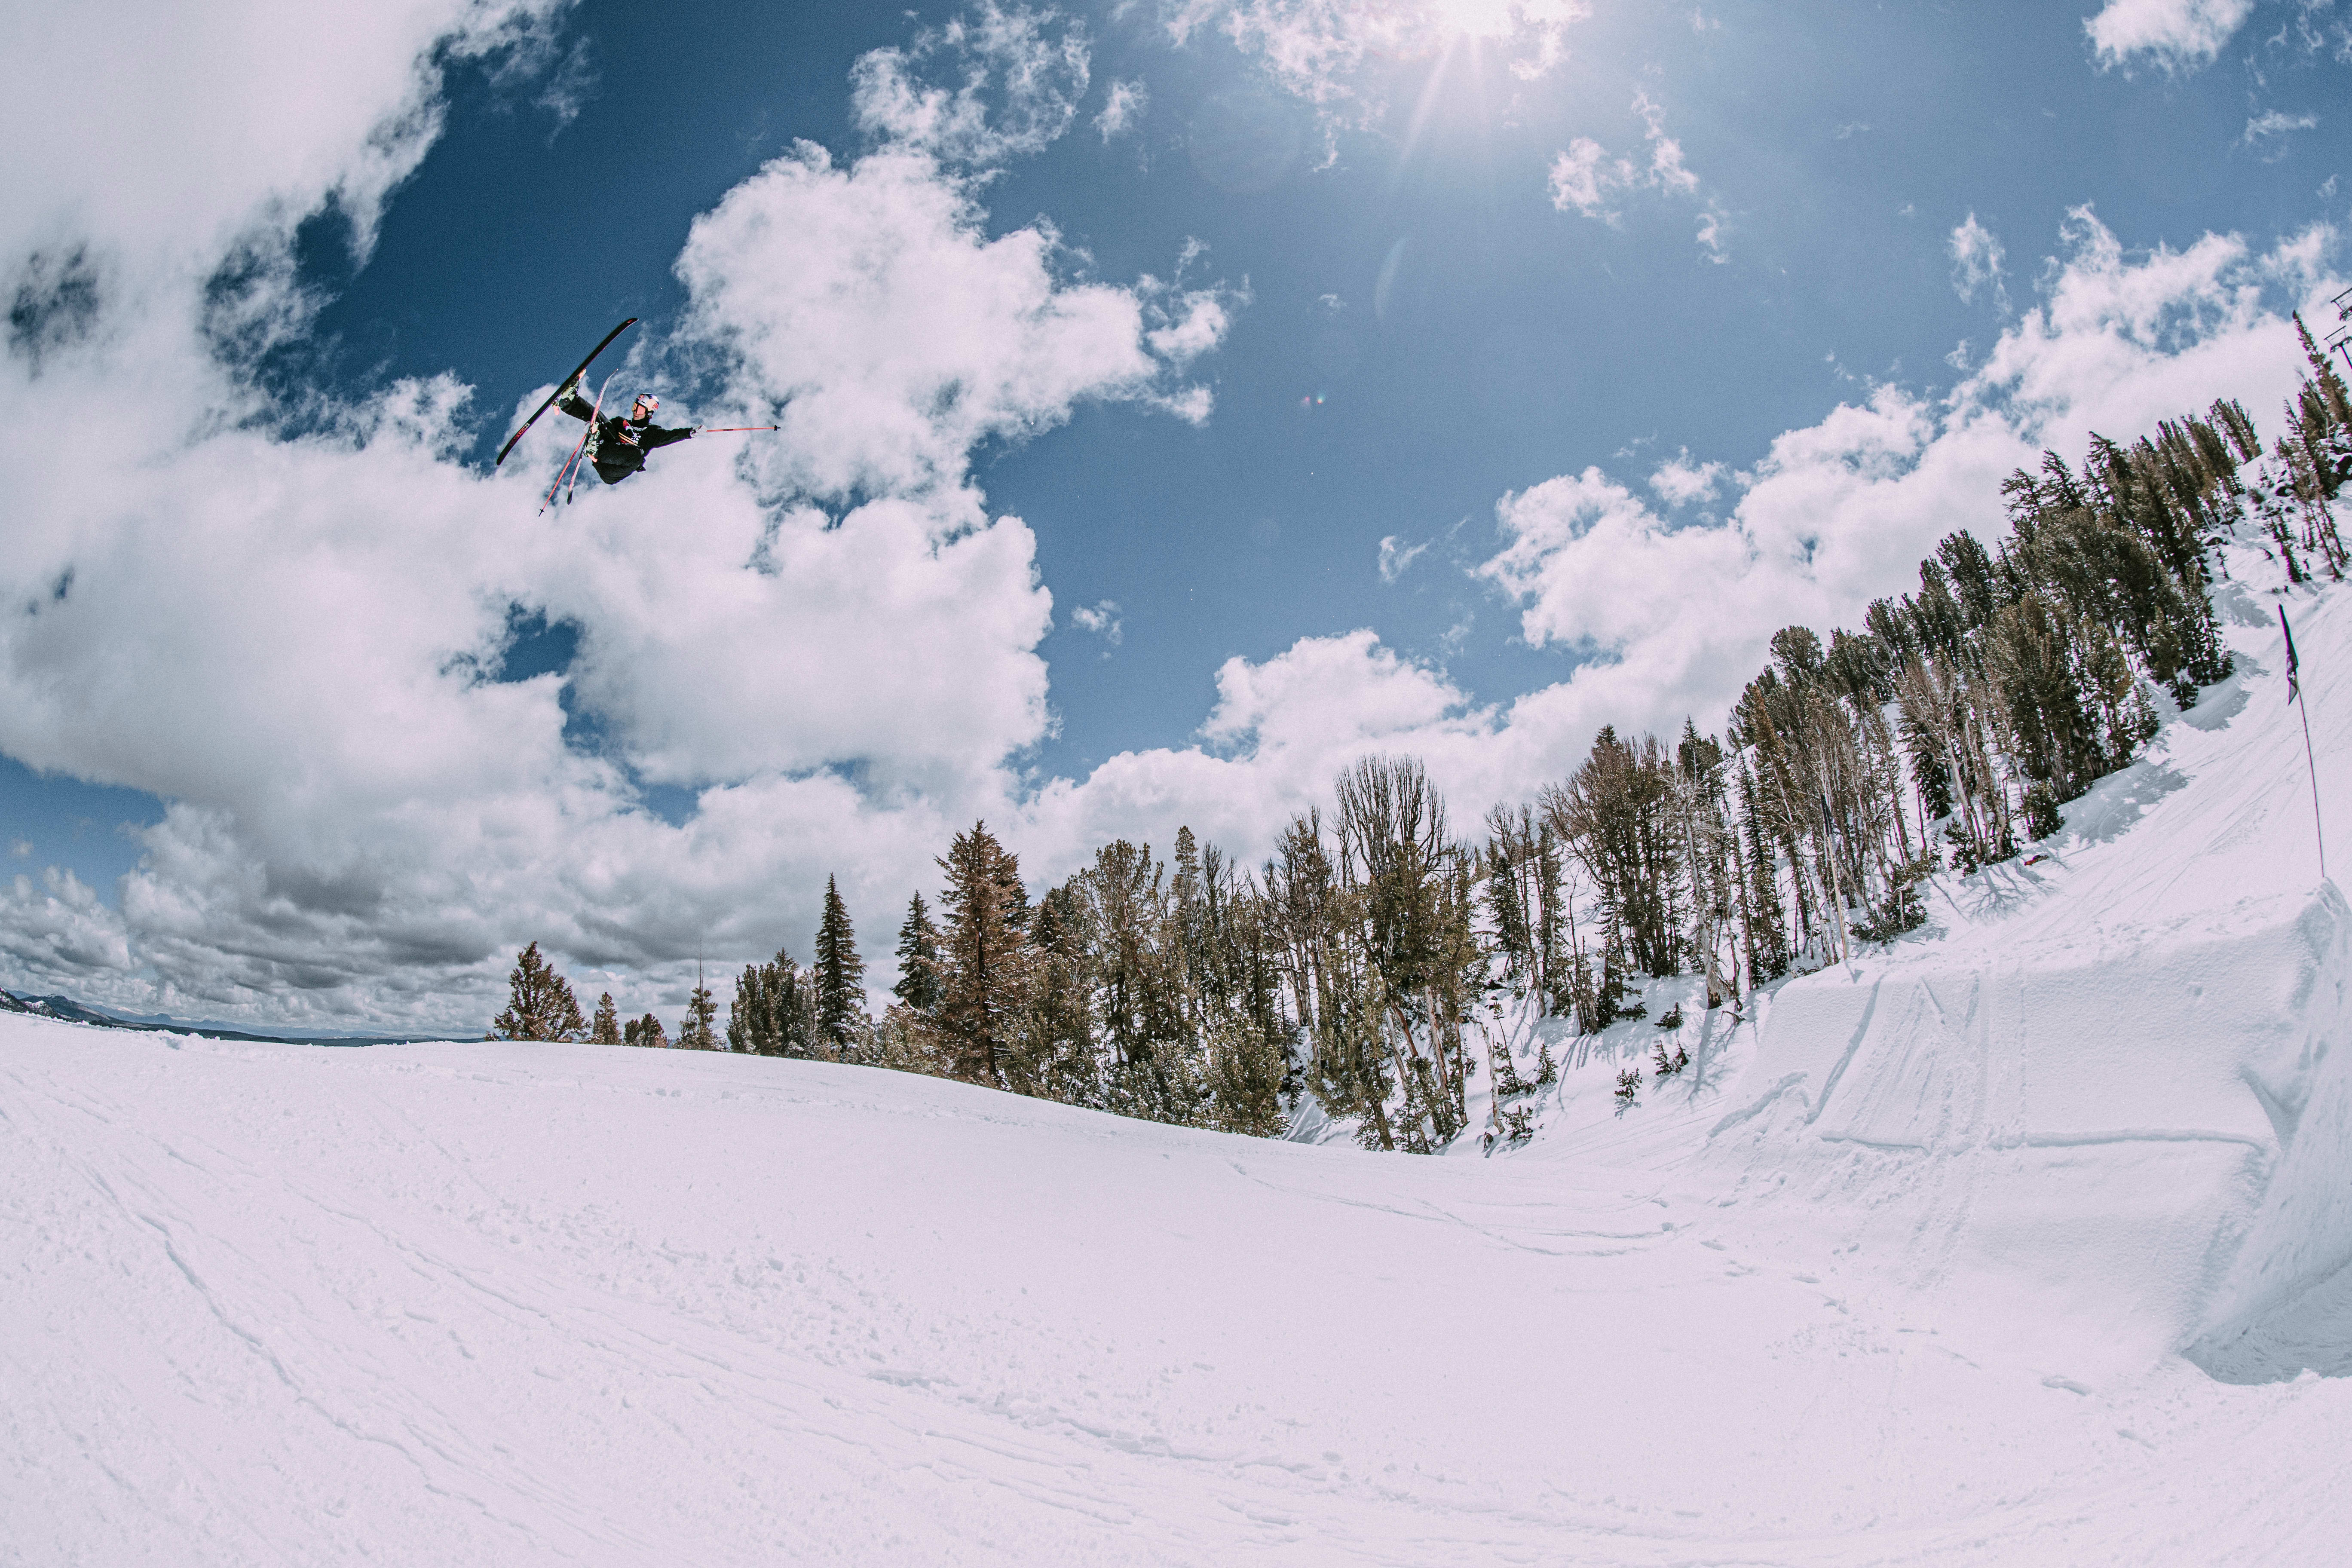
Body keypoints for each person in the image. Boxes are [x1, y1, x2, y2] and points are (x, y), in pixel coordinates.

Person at [554, 379, 695, 485]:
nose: (636, 412)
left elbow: (671, 435)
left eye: (640, 409)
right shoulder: (621, 422)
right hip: (603, 454)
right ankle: (570, 402)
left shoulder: (652, 433)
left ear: (649, 413)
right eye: (635, 407)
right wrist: (595, 429)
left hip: (614, 471)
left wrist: (690, 433)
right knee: (602, 419)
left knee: (638, 455)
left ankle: (596, 450)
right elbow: (603, 425)